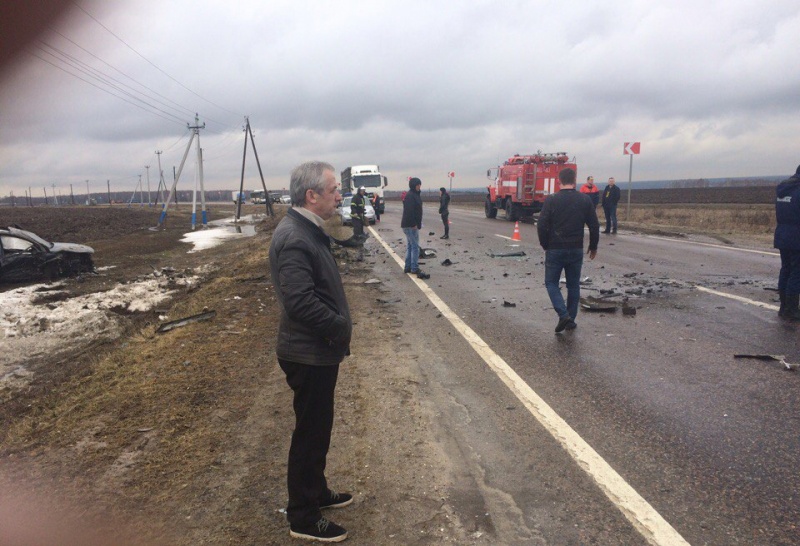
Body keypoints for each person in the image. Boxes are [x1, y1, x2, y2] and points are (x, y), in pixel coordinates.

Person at [268, 161, 353, 542]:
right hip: (308, 352)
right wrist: (337, 328)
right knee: (309, 434)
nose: (340, 195)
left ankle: (315, 492)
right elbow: (300, 302)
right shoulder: (295, 237)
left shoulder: (308, 229)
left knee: (318, 429)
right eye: (334, 189)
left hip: (316, 350)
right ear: (311, 195)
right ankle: (302, 515)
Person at [537, 167, 600, 333]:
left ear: (559, 180)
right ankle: (570, 319)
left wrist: (545, 244)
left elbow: (542, 225)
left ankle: (563, 314)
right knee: (573, 285)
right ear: (575, 180)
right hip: (576, 249)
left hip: (555, 248)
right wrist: (593, 246)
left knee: (551, 282)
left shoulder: (551, 200)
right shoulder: (585, 200)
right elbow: (594, 225)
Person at [775, 164, 800, 321]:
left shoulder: (783, 188)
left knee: (786, 269)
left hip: (782, 234)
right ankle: (791, 310)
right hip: (797, 236)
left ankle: (784, 307)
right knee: (797, 272)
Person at [401, 177, 430, 279]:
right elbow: (409, 211)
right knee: (415, 247)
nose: (419, 186)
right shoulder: (410, 196)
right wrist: (414, 223)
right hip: (410, 225)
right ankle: (414, 268)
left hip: (410, 225)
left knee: (410, 246)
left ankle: (408, 267)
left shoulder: (414, 195)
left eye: (420, 185)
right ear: (414, 185)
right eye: (418, 185)